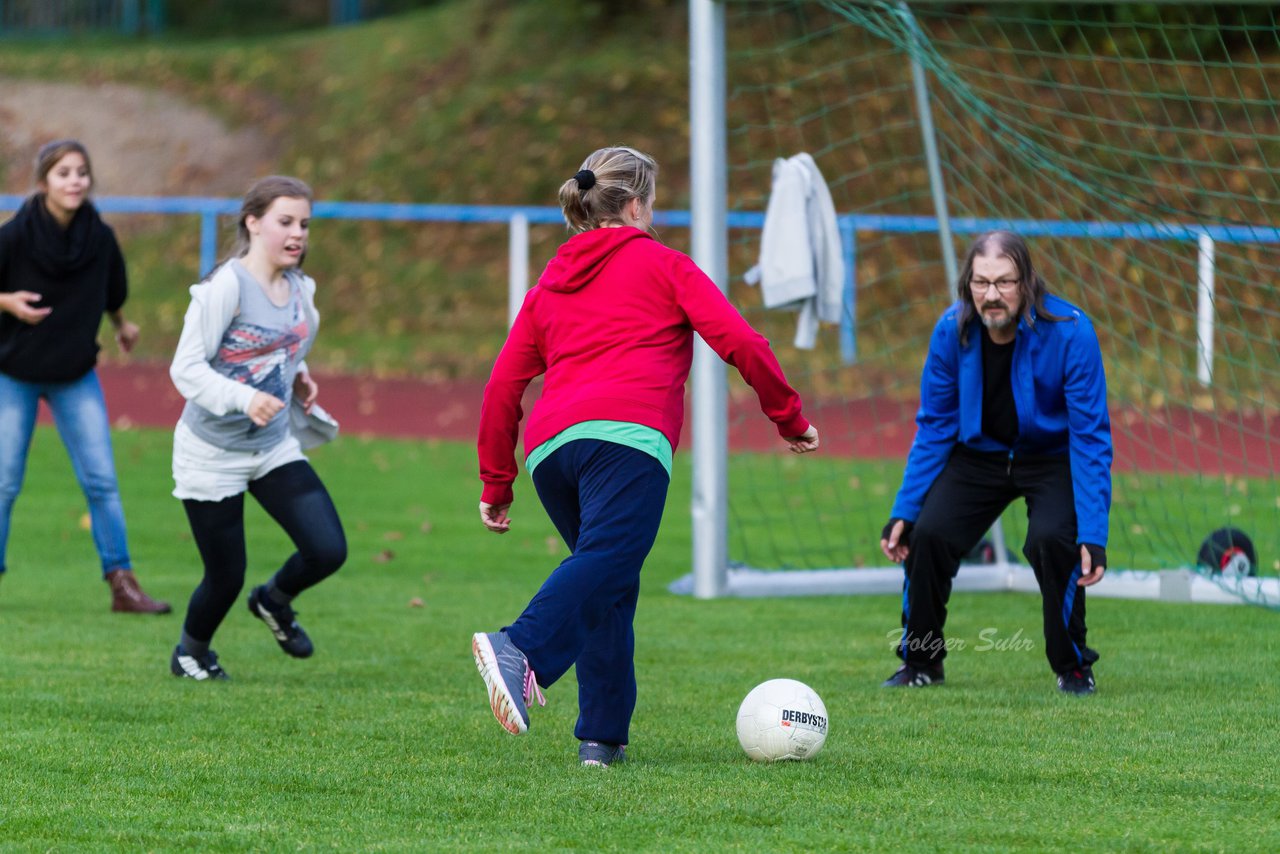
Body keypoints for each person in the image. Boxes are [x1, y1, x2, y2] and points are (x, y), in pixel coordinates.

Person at [472, 146, 820, 766]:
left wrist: (497, 485)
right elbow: (740, 339)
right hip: (627, 443)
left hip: (552, 454)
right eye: (651, 202)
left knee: (608, 582)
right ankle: (520, 647)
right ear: (636, 204)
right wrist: (787, 415)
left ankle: (600, 740)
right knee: (609, 560)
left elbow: (502, 388)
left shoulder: (546, 286)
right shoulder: (664, 265)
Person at [879, 230, 1112, 695]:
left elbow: (1089, 438)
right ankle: (921, 663)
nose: (991, 295)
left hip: (1049, 458)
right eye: (981, 283)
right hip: (978, 457)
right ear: (967, 283)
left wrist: (1093, 532)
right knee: (928, 536)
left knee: (1052, 540)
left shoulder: (1071, 331)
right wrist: (904, 510)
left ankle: (1073, 666)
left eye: (1004, 282)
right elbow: (935, 427)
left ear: (1027, 282)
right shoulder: (951, 330)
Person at [167, 175, 346, 681]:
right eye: (285, 222)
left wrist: (300, 378)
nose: (298, 234)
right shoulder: (225, 286)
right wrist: (245, 398)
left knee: (327, 549)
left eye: (305, 224)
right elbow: (186, 368)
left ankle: (273, 600)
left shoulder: (298, 288)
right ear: (253, 223)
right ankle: (190, 653)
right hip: (211, 452)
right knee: (224, 575)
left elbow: (284, 347)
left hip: (271, 447)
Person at [0, 139, 170, 613]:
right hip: (14, 371)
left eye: (81, 172)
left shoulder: (99, 239)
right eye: (63, 173)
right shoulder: (13, 236)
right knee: (4, 482)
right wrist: (7, 302)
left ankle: (123, 583)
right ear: (43, 183)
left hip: (74, 373)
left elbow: (111, 291)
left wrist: (123, 325)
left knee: (101, 481)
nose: (74, 181)